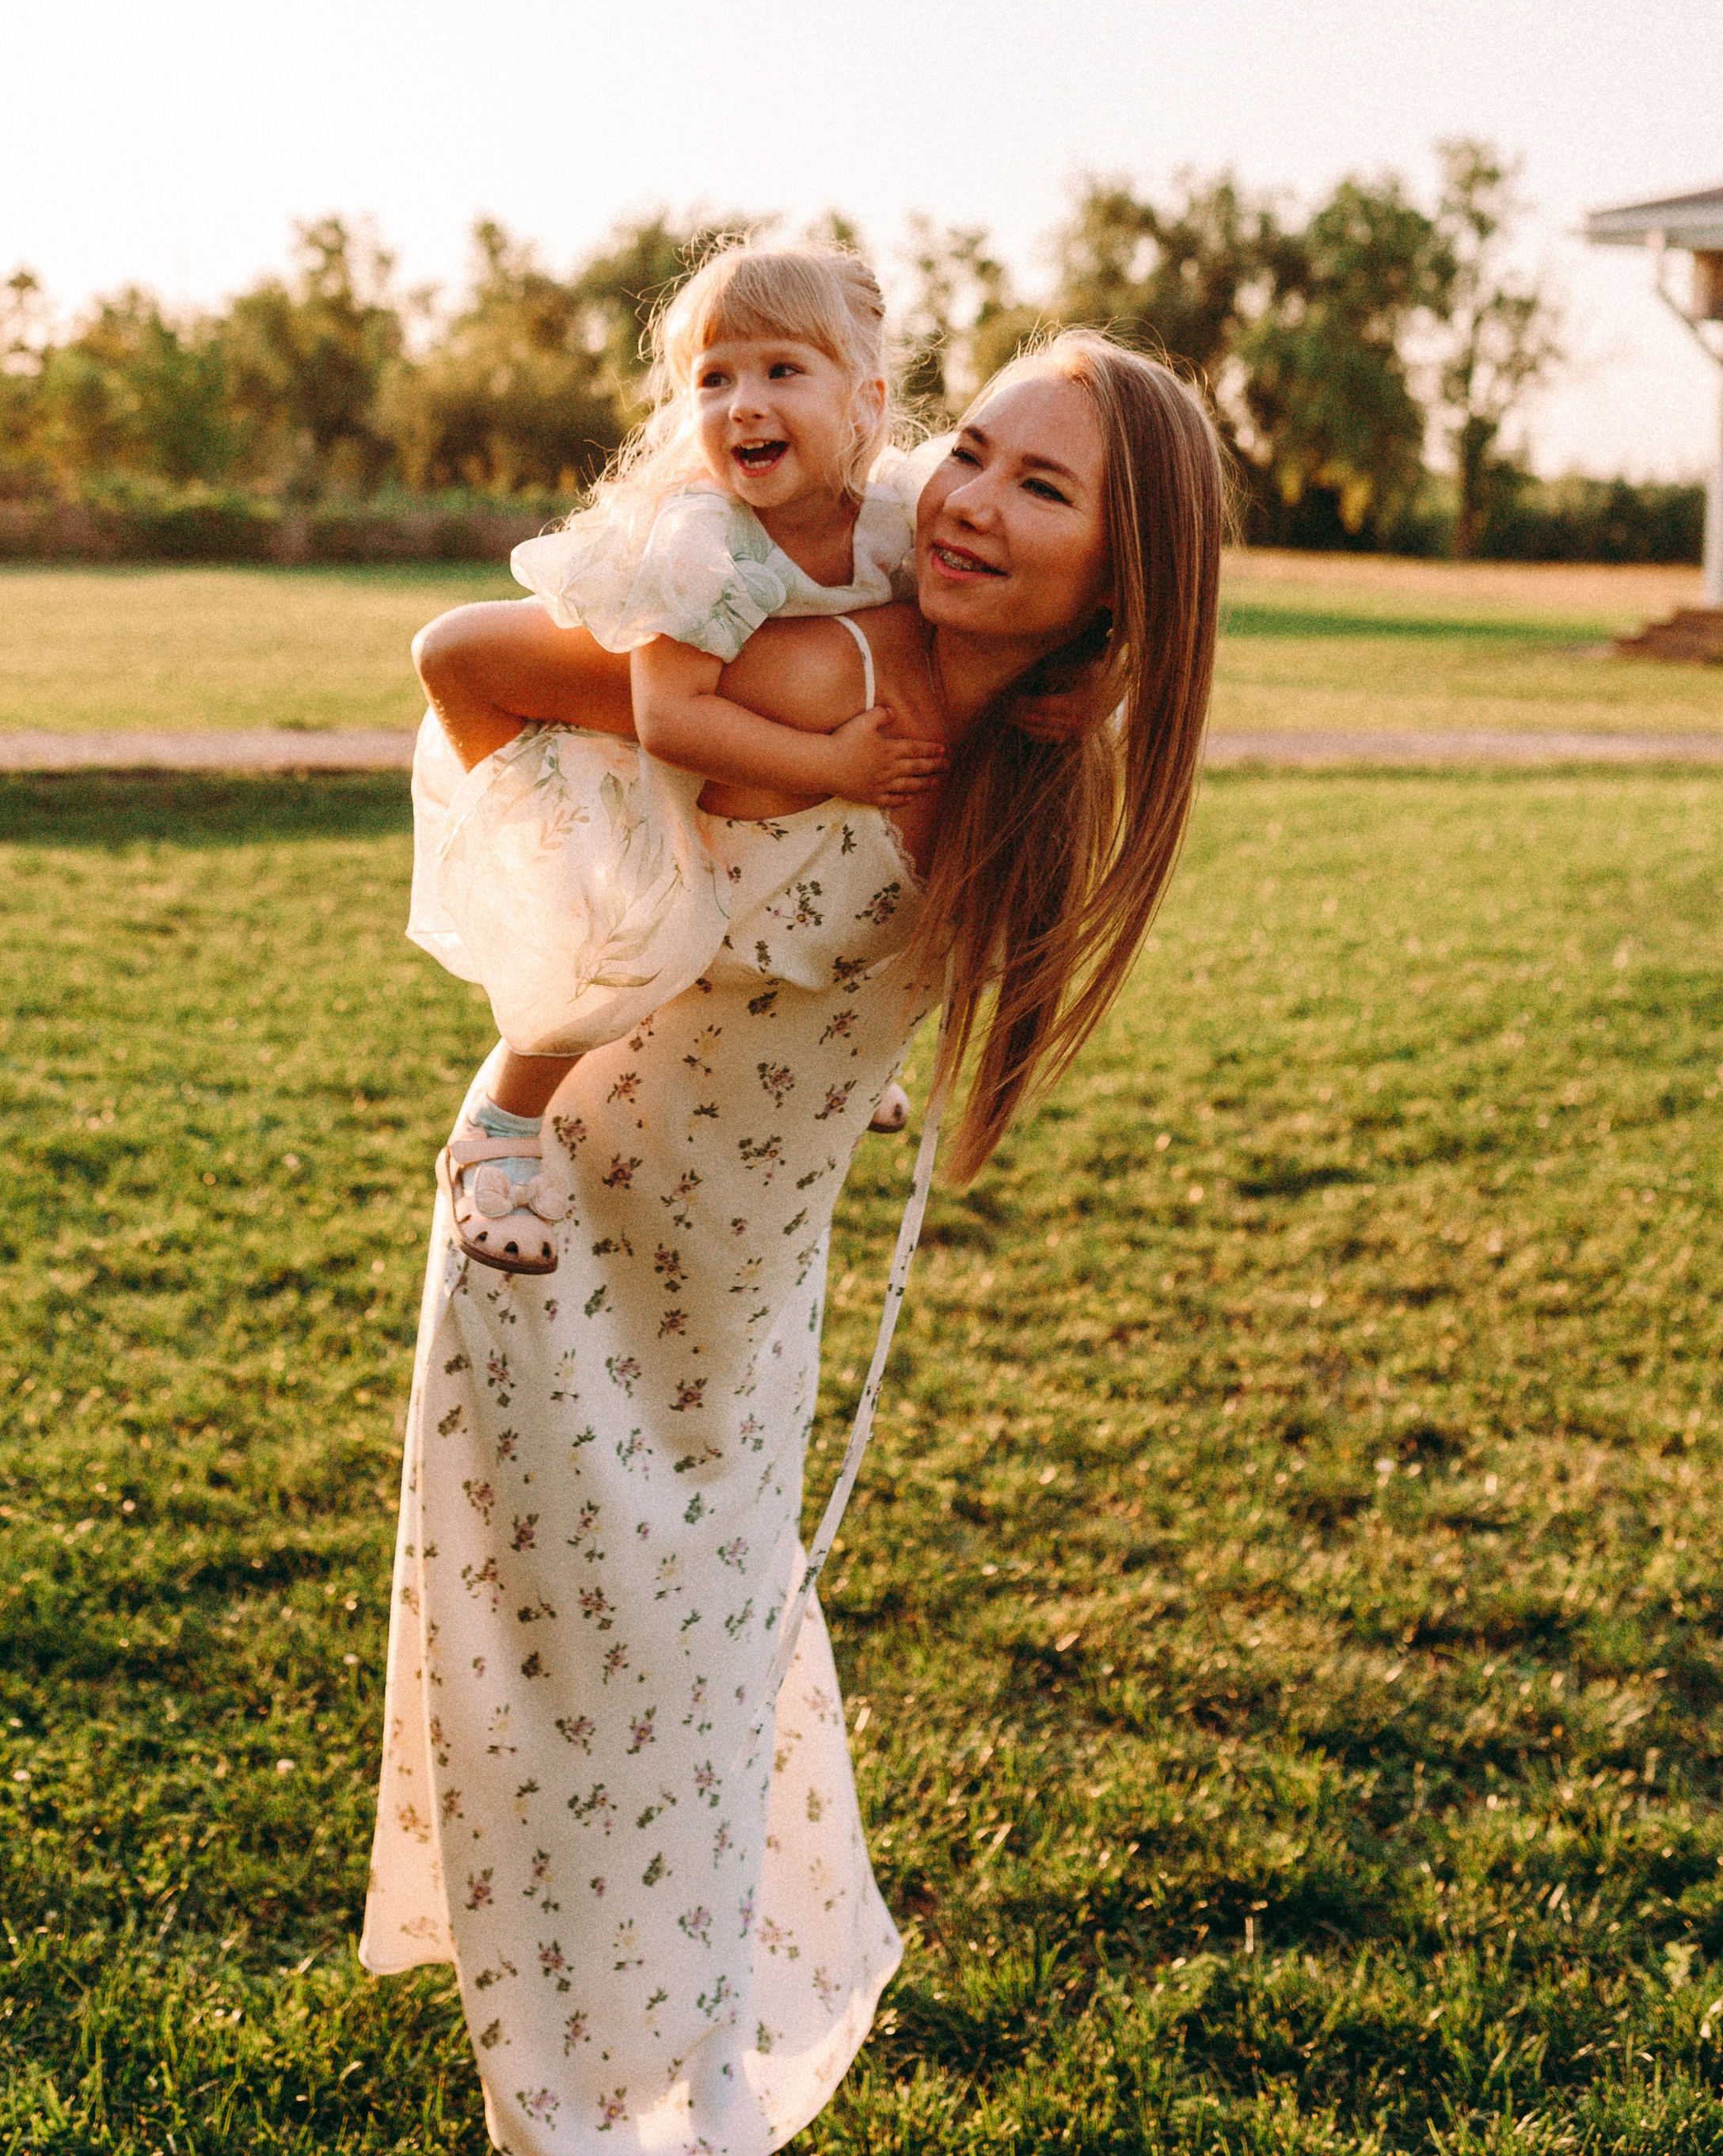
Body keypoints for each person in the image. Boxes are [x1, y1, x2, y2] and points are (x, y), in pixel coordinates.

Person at [361, 334, 1227, 2156]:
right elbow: (463, 666)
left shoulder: (1037, 761)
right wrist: (581, 906)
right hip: (563, 1246)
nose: (974, 504)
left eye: (1040, 488)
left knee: (700, 1717)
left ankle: (679, 2099)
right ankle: (584, 2122)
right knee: (576, 1731)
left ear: (1121, 586)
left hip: (740, 1300)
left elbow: (847, 975)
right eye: (971, 454)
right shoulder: (808, 659)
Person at [409, 240, 948, 1276]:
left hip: (742, 775)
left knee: (802, 904)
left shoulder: (886, 521)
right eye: (714, 378)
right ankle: (501, 1133)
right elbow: (671, 721)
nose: (743, 402)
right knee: (628, 933)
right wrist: (831, 758)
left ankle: (824, 1064)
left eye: (783, 370)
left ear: (866, 401)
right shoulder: (706, 544)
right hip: (623, 765)